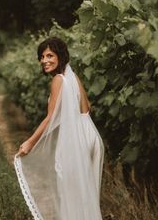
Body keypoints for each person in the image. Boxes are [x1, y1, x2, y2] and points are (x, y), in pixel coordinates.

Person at [15, 37, 103, 220]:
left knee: (70, 194)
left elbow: (50, 118)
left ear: (60, 56)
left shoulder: (57, 80)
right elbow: (88, 108)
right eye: (42, 56)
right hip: (91, 136)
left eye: (49, 55)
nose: (44, 60)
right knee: (87, 196)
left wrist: (30, 143)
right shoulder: (74, 78)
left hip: (76, 141)